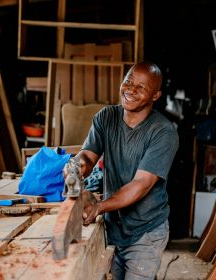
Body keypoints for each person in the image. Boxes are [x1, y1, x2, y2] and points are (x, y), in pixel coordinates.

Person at [65, 61, 179, 279]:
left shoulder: (163, 132)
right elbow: (88, 155)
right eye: (128, 81)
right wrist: (76, 167)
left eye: (141, 87)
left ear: (155, 96)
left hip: (145, 231)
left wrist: (99, 207)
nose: (130, 90)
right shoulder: (106, 117)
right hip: (114, 227)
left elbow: (141, 185)